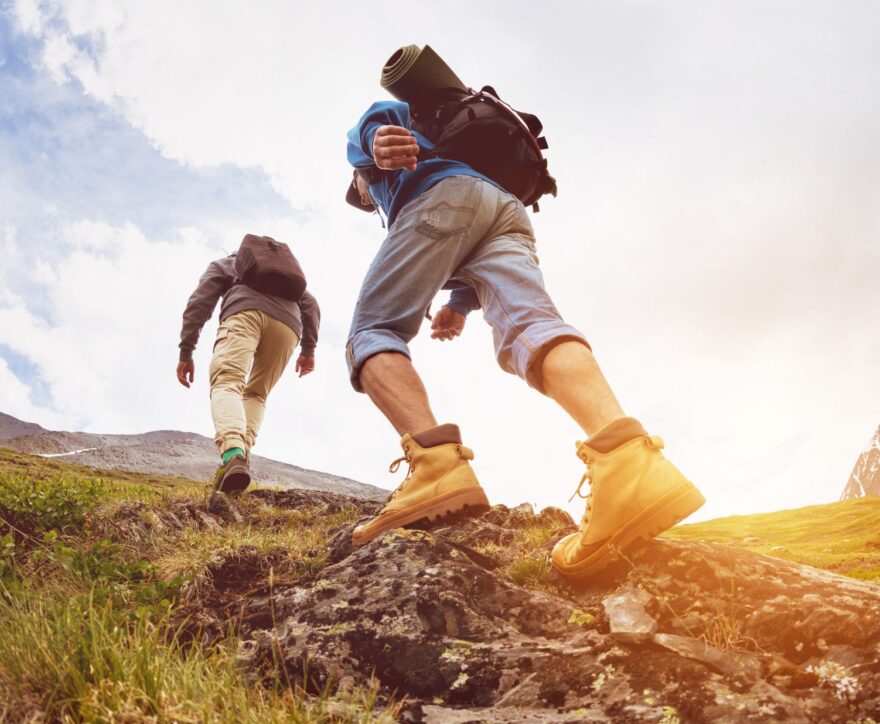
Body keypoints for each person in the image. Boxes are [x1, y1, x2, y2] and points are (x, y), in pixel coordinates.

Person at [345, 100, 705, 580]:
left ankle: (437, 469)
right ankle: (627, 462)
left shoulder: (376, 170)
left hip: (441, 198)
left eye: (360, 193)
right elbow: (466, 235)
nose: (364, 198)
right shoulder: (464, 169)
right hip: (505, 210)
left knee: (374, 330)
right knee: (532, 326)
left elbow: (377, 116)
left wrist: (374, 142)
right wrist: (460, 304)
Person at [176, 250, 320, 493]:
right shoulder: (285, 277)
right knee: (256, 394)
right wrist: (308, 350)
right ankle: (241, 456)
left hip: (245, 314)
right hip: (288, 327)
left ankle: (233, 455)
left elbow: (200, 302)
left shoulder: (227, 264)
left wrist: (186, 351)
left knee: (227, 382)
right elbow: (311, 304)